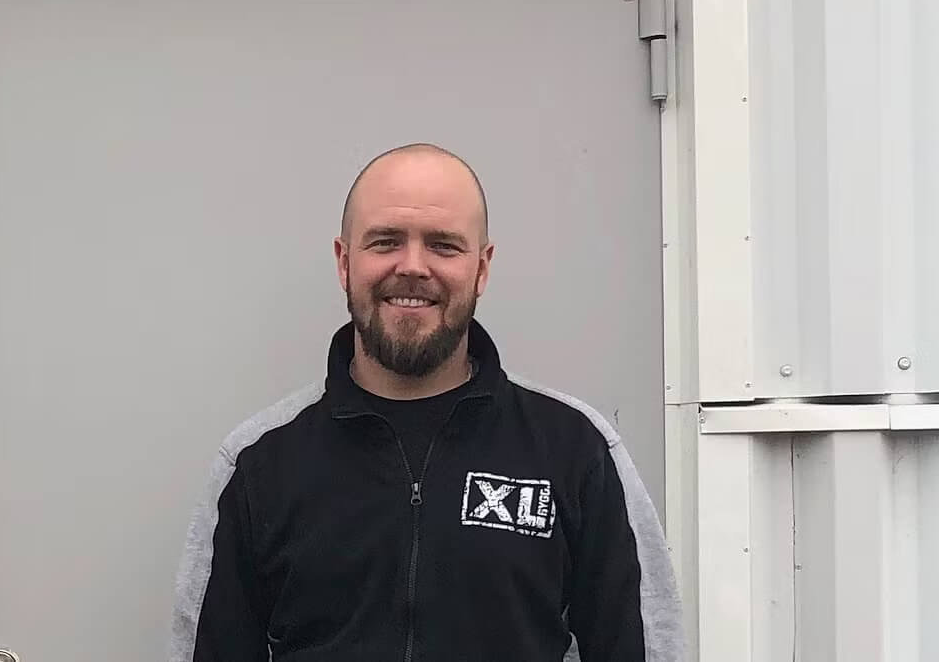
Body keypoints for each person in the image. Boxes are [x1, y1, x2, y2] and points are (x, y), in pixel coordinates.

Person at [168, 143, 684, 662]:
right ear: (345, 262)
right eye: (386, 241)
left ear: (481, 268)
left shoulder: (575, 448)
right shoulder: (258, 462)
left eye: (443, 245)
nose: (413, 266)